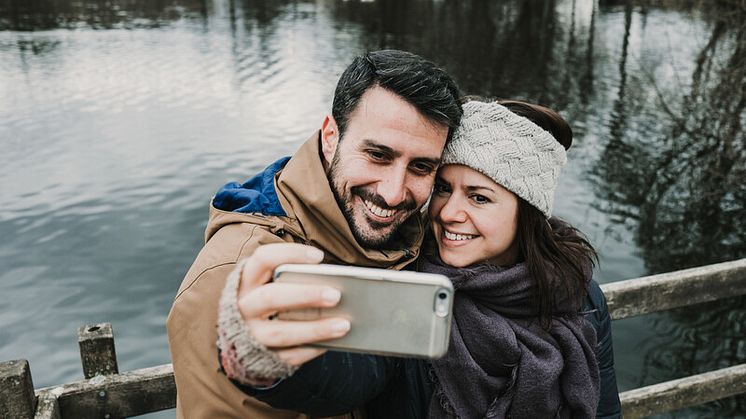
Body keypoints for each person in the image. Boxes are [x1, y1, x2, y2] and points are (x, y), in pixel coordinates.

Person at [217, 99, 622, 418]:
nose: (447, 212)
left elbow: (603, 411)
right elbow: (346, 380)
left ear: (527, 214)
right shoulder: (411, 286)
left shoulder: (577, 292)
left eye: (479, 197)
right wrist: (263, 359)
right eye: (443, 189)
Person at [166, 49, 462, 418]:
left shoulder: (422, 238)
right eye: (378, 155)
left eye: (420, 167)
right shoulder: (237, 278)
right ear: (330, 137)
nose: (393, 192)